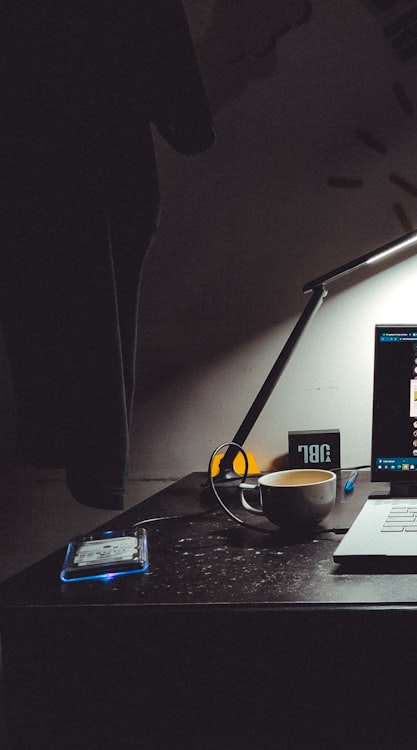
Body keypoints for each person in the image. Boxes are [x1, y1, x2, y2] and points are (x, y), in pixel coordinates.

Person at [0, 0, 215, 508]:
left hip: (22, 188)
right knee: (98, 330)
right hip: (105, 187)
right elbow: (191, 129)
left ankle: (59, 448)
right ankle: (91, 469)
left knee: (51, 331)